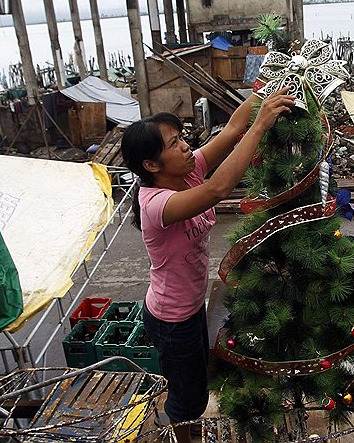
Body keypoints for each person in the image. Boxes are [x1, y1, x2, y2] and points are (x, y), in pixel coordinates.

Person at [121, 88, 295, 443]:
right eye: (173, 144)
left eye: (181, 138)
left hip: (189, 308)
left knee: (196, 381)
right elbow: (217, 189)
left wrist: (265, 89)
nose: (185, 146)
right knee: (188, 398)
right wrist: (260, 126)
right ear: (151, 165)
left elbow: (231, 130)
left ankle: (191, 430)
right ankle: (186, 437)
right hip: (172, 319)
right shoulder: (156, 203)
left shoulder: (186, 171)